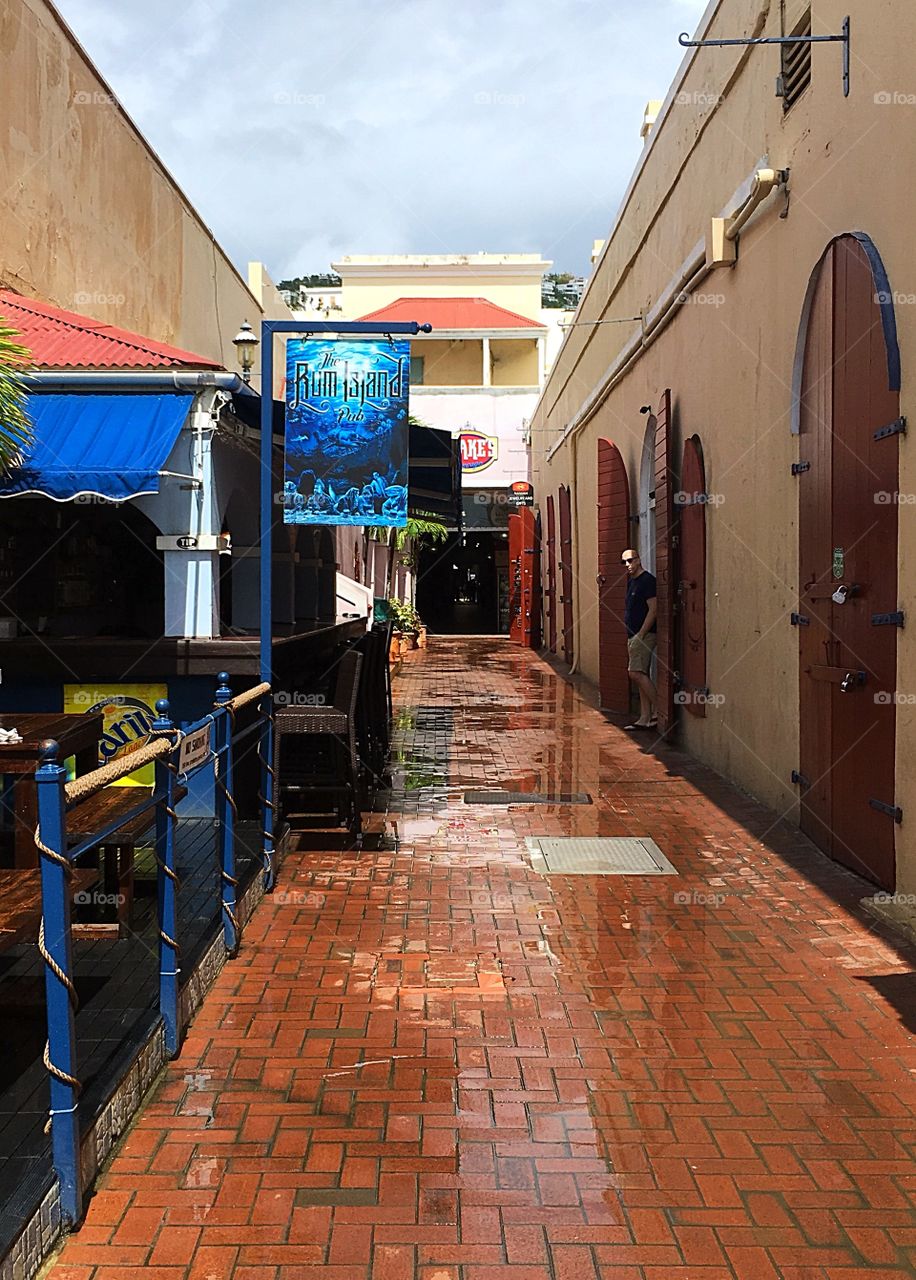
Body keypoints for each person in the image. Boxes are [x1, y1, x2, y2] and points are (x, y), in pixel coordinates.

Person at [622, 548, 657, 730]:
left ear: (638, 560)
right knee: (641, 673)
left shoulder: (647, 581)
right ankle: (645, 717)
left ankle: (659, 709)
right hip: (633, 634)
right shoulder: (632, 582)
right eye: (624, 562)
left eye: (630, 560)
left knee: (635, 673)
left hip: (643, 635)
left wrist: (641, 634)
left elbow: (654, 608)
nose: (627, 565)